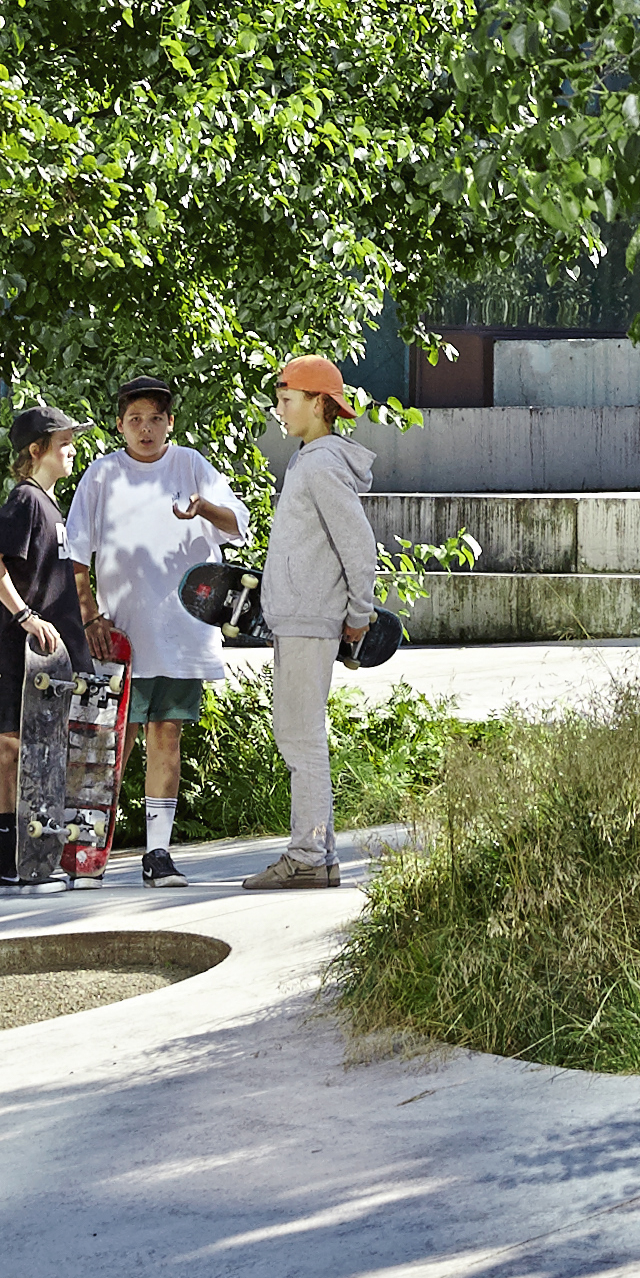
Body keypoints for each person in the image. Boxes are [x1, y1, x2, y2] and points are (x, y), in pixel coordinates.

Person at [64, 375, 246, 884]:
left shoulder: (191, 466)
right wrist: (90, 617)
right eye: (136, 419)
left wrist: (202, 507)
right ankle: (88, 850)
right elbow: (76, 553)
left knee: (166, 734)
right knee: (109, 741)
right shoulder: (102, 476)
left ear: (170, 422)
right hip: (118, 634)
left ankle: (157, 853)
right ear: (120, 424)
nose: (146, 429)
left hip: (182, 633)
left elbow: (237, 523)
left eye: (156, 419)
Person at [247, 354, 383, 892]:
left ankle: (306, 854)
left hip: (311, 620)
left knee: (300, 739)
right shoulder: (308, 460)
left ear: (320, 404)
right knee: (299, 736)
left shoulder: (322, 463)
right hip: (298, 619)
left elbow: (358, 545)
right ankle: (318, 855)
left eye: (287, 399)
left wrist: (358, 617)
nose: (279, 408)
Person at [0, 402, 84, 888]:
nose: (72, 451)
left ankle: (32, 861)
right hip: (17, 651)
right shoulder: (24, 500)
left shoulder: (51, 505)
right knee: (11, 747)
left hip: (50, 658)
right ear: (36, 451)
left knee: (39, 753)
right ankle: (6, 866)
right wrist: (24, 616)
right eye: (64, 443)